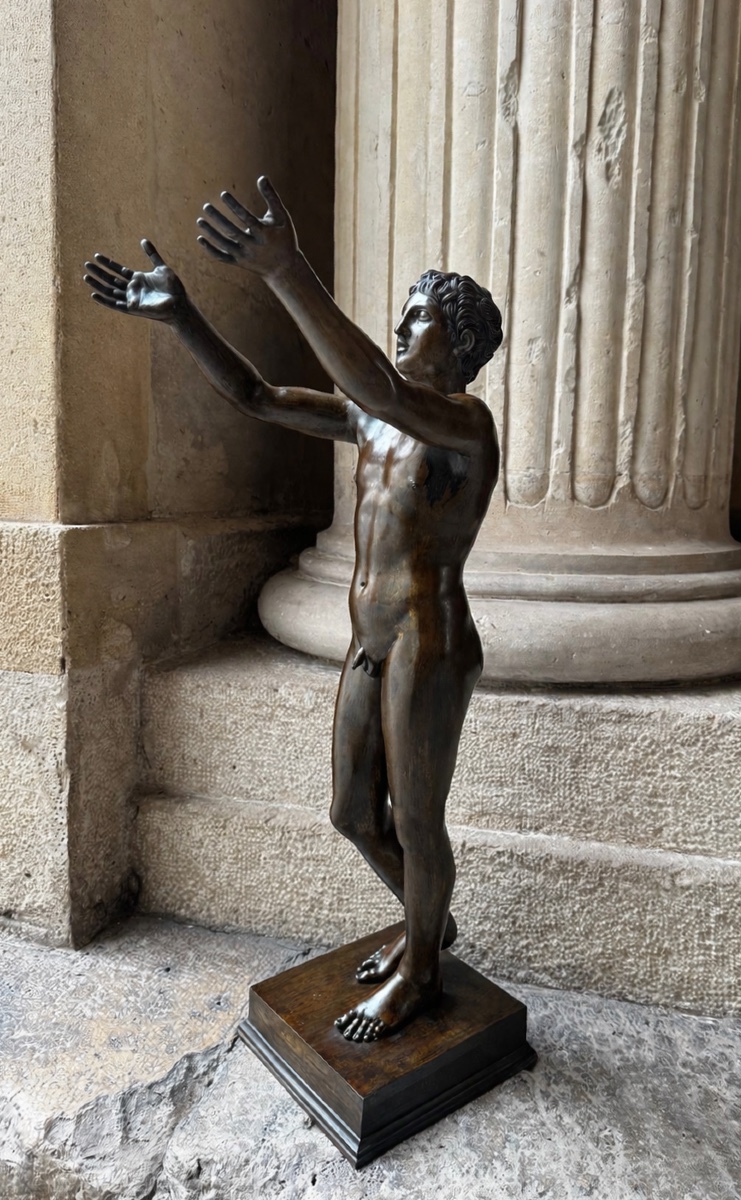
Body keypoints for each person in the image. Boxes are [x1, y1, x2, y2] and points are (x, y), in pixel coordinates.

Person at [84, 177, 503, 1042]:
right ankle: (431, 928)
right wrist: (184, 320)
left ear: (457, 342)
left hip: (431, 640)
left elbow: (385, 388)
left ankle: (421, 970)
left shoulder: (464, 420)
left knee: (418, 819)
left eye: (418, 314)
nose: (400, 324)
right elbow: (258, 398)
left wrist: (288, 272)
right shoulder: (373, 419)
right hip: (369, 640)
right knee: (353, 813)